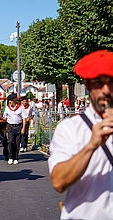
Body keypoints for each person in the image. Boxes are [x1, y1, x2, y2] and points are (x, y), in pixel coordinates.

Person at [48, 50, 113, 219]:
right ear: (87, 84)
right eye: (99, 83)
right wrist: (91, 146)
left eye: (111, 82)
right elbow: (58, 182)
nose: (106, 90)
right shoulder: (69, 129)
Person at [2, 93, 27, 165]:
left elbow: (24, 118)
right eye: (9, 101)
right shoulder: (7, 108)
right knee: (10, 142)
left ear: (14, 101)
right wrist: (1, 117)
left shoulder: (21, 107)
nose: (9, 102)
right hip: (10, 126)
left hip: (18, 126)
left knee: (17, 143)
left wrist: (23, 128)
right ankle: (10, 157)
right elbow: (5, 117)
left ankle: (16, 157)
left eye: (11, 101)